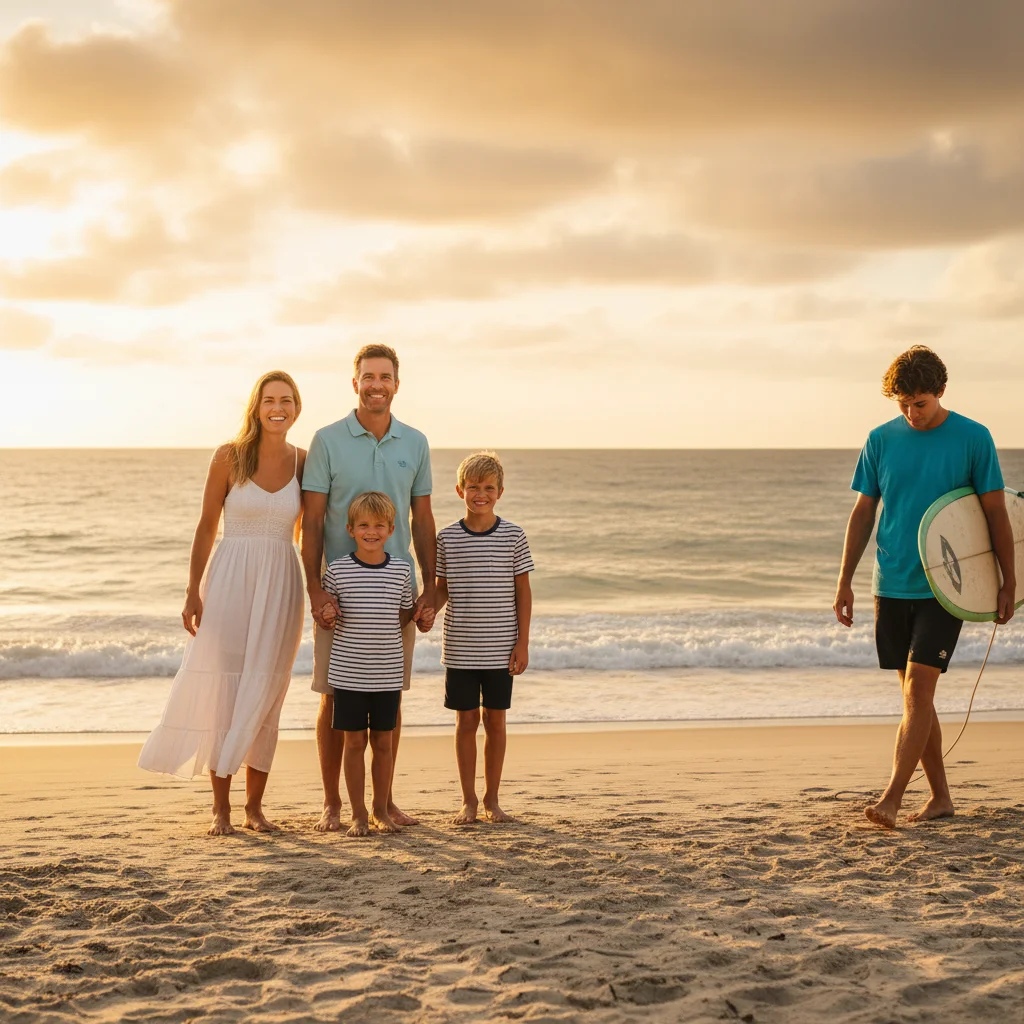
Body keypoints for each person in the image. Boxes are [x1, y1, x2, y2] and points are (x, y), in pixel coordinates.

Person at [833, 346, 1015, 829]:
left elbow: (996, 512)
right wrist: (845, 579)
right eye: (903, 404)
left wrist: (1008, 580)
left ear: (940, 392)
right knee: (917, 699)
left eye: (921, 403)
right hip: (891, 582)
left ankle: (891, 797)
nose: (912, 413)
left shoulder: (974, 438)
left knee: (918, 689)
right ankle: (940, 799)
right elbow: (864, 511)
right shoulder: (879, 440)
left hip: (947, 587)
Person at [138, 371, 306, 836]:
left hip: (282, 583)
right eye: (270, 399)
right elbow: (206, 526)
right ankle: (222, 809)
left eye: (287, 400)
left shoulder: (305, 462)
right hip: (230, 577)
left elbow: (314, 533)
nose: (278, 407)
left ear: (297, 408)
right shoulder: (228, 457)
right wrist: (192, 590)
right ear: (256, 406)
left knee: (267, 692)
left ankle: (255, 807)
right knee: (226, 691)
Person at [301, 344, 436, 832]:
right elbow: (312, 522)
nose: (376, 384)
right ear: (354, 382)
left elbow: (423, 520)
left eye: (385, 377)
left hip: (395, 590)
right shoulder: (327, 440)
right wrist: (315, 590)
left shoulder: (415, 443)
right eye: (367, 376)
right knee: (333, 696)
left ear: (397, 384)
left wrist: (432, 586)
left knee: (389, 698)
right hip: (338, 595)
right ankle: (334, 803)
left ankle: (384, 803)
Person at [433, 451, 534, 824]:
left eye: (488, 488)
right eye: (473, 487)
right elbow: (443, 589)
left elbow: (523, 591)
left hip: (501, 648)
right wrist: (426, 609)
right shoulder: (447, 538)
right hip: (460, 648)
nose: (480, 494)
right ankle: (469, 801)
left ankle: (492, 800)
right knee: (465, 722)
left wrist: (522, 642)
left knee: (496, 720)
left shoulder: (513, 535)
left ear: (500, 492)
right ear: (460, 489)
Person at [320, 492, 415, 836]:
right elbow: (327, 617)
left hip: (387, 674)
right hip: (348, 674)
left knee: (384, 743)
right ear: (350, 529)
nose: (370, 531)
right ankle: (358, 814)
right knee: (354, 743)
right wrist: (327, 615)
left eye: (378, 525)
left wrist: (425, 613)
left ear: (391, 530)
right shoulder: (338, 570)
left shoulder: (402, 570)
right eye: (363, 525)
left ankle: (380, 810)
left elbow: (405, 614)